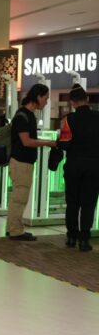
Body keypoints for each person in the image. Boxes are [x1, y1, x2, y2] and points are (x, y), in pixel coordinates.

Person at [7, 83, 57, 241]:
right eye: (46, 98)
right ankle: (15, 231)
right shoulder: (23, 116)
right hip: (21, 163)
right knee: (20, 198)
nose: (47, 102)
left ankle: (12, 228)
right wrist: (48, 143)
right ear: (38, 97)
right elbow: (27, 141)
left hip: (24, 163)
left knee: (18, 197)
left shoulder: (29, 115)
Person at [57, 85, 99, 252]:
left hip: (74, 165)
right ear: (87, 99)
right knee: (89, 203)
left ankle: (71, 237)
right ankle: (84, 240)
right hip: (94, 166)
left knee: (72, 202)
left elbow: (65, 144)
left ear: (72, 102)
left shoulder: (68, 120)